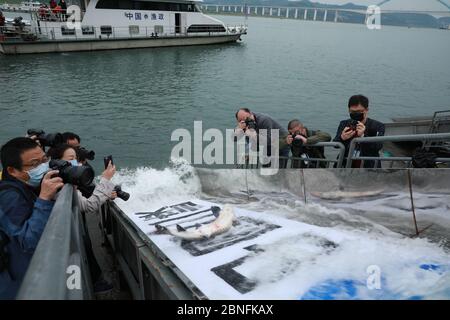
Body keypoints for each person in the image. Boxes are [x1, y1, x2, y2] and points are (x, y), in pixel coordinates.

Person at [47, 143, 116, 293]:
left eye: (76, 159)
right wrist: (105, 180)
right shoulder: (59, 185)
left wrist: (105, 191)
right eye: (71, 159)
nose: (76, 163)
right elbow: (89, 205)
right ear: (57, 161)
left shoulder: (66, 180)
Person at [0, 137, 64, 299]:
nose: (43, 167)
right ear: (12, 171)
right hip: (18, 285)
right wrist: (44, 198)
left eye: (44, 160)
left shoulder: (28, 186)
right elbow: (30, 242)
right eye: (35, 164)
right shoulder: (9, 197)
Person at [333, 95, 385, 168]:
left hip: (368, 166)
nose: (356, 114)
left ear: (366, 110)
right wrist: (342, 138)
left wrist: (363, 136)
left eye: (359, 111)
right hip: (345, 164)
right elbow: (335, 144)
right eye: (352, 111)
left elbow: (378, 146)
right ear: (349, 110)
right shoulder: (344, 124)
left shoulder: (377, 126)